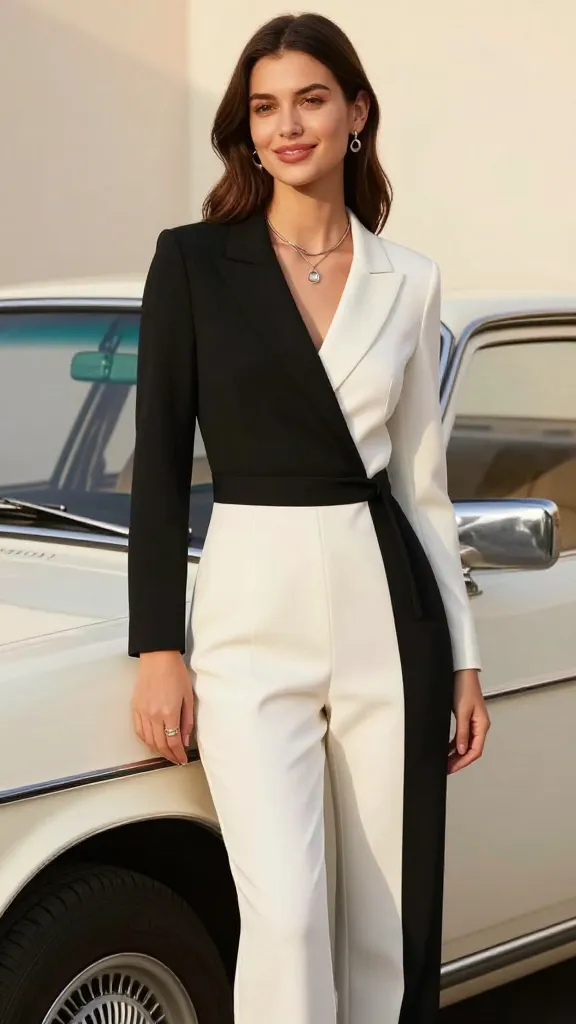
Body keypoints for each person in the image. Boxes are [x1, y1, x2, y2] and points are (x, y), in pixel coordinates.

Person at [127, 12, 490, 1024]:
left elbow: (422, 485)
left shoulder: (409, 279)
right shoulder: (194, 263)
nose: (287, 126)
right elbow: (157, 467)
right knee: (284, 916)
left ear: (356, 112)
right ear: (247, 128)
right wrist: (159, 644)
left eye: (311, 99)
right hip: (250, 619)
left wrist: (464, 656)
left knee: (385, 918)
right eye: (264, 106)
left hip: (390, 617)